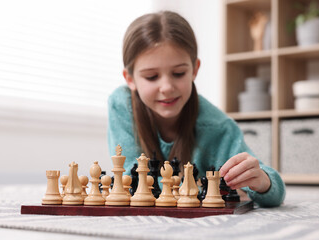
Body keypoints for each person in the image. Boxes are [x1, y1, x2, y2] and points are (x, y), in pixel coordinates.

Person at [108, 11, 285, 207]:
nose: (166, 87)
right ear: (130, 79)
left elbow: (275, 192)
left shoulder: (219, 128)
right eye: (151, 77)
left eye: (178, 73)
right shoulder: (122, 103)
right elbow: (130, 178)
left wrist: (262, 181)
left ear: (195, 70)